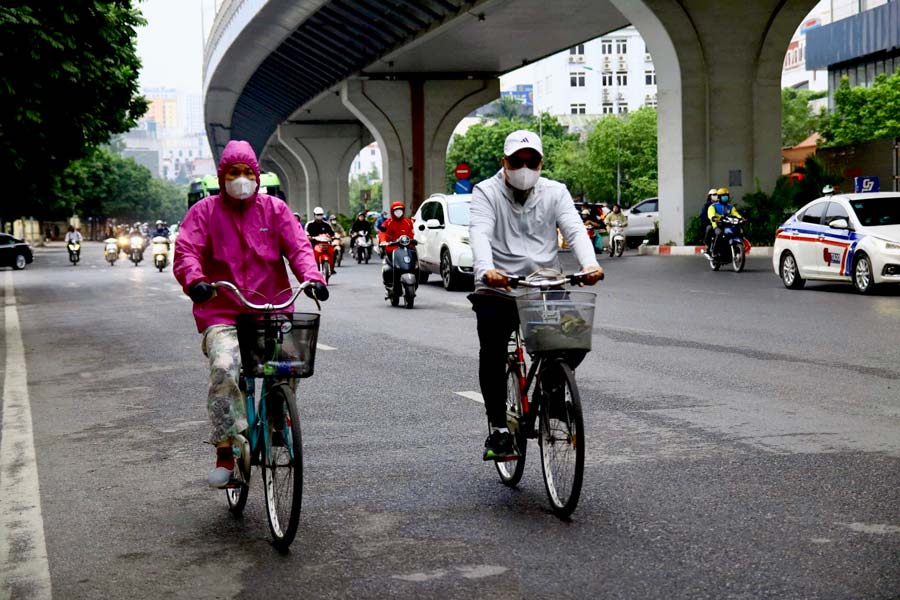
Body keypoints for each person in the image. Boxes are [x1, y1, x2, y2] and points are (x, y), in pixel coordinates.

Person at [173, 140, 328, 488]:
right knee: (225, 369)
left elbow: (300, 248)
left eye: (247, 172)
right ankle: (225, 452)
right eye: (234, 173)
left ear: (256, 176)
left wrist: (313, 278)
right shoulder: (204, 213)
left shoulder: (275, 210)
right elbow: (186, 252)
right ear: (222, 176)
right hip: (222, 312)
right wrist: (196, 281)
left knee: (288, 363)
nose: (241, 179)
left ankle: (277, 420)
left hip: (271, 308)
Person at [469, 130, 603, 460]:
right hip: (498, 285)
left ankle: (554, 388)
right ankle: (499, 430)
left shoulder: (556, 192)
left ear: (541, 162)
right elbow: (480, 233)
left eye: (532, 161)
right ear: (505, 162)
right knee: (493, 348)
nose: (525, 167)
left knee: (574, 337)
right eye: (517, 161)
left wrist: (590, 264)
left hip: (545, 283)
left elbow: (573, 228)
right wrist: (487, 269)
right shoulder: (486, 192)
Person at [706, 187, 743, 254]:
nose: (725, 198)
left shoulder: (730, 207)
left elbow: (735, 213)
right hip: (717, 225)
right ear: (719, 197)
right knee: (719, 233)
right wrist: (713, 217)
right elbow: (711, 214)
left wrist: (741, 218)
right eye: (723, 196)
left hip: (728, 225)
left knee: (739, 231)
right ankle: (715, 251)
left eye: (726, 196)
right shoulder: (713, 206)